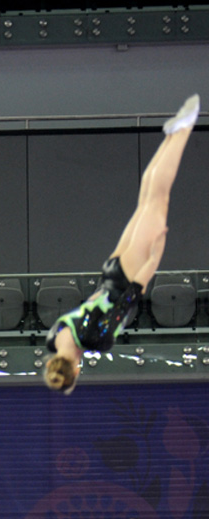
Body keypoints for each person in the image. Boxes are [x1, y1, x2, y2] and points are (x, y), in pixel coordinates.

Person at [44, 95, 199, 393]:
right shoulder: (54, 336)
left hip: (128, 274)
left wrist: (154, 260)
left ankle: (184, 129)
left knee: (159, 197)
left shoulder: (93, 341)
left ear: (76, 370)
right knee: (146, 196)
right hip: (111, 270)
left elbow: (127, 300)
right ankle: (171, 135)